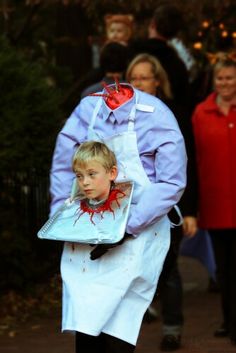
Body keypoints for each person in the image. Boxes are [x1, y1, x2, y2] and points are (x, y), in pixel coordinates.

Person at [50, 79, 187, 352]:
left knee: (120, 327)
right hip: (88, 226)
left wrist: (125, 226)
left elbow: (171, 182)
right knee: (87, 323)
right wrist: (62, 219)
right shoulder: (87, 110)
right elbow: (64, 167)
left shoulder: (157, 115)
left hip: (141, 229)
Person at [126, 53, 197, 351]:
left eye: (145, 77)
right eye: (134, 77)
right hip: (132, 208)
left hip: (168, 208)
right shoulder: (120, 116)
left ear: (158, 81)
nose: (139, 82)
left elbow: (188, 165)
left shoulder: (174, 114)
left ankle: (172, 326)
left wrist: (190, 210)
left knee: (168, 269)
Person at [192, 51, 236, 347]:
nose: (225, 82)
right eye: (220, 77)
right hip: (216, 203)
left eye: (230, 78)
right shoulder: (200, 113)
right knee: (224, 269)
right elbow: (193, 160)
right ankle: (230, 320)